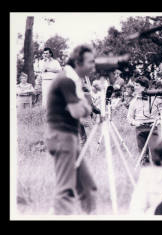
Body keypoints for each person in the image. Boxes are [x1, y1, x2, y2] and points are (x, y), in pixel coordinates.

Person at [45, 44, 97, 215]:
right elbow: (77, 112)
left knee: (88, 188)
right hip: (62, 137)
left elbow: (78, 108)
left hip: (70, 138)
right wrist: (87, 107)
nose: (94, 66)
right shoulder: (66, 80)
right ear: (78, 62)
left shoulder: (72, 79)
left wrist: (83, 105)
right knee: (65, 189)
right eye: (90, 62)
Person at [127, 76, 162, 165]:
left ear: (144, 87)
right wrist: (137, 123)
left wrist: (157, 121)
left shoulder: (155, 99)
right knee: (143, 155)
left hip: (152, 127)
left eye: (137, 85)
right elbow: (129, 118)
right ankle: (146, 173)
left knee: (156, 153)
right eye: (135, 85)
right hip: (140, 129)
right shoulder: (133, 102)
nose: (135, 87)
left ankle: (158, 172)